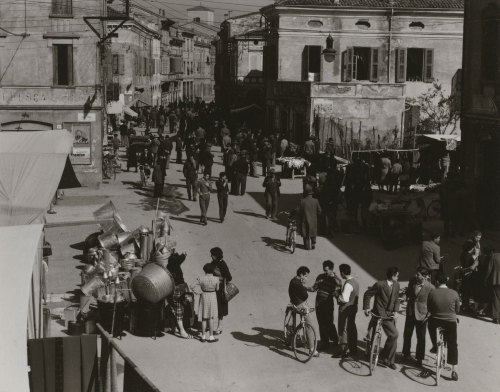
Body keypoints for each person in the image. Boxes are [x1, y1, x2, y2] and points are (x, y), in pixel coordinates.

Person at [363, 267, 401, 370]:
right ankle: (370, 354)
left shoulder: (397, 285)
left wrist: (396, 311)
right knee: (373, 335)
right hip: (379, 314)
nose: (398, 277)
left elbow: (397, 299)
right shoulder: (379, 284)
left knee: (394, 335)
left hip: (390, 315)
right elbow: (368, 294)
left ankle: (388, 359)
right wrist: (366, 308)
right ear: (393, 276)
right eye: (397, 275)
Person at [427, 273, 460, 381]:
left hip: (436, 320)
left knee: (430, 324)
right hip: (450, 322)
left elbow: (430, 309)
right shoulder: (454, 293)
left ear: (437, 282)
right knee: (452, 344)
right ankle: (454, 370)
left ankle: (434, 345)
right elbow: (457, 310)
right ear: (446, 282)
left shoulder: (432, 293)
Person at [402, 267, 435, 367]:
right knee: (407, 334)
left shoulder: (431, 288)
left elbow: (432, 303)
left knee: (421, 338)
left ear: (424, 276)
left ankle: (419, 358)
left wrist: (429, 314)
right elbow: (408, 292)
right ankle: (405, 354)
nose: (416, 276)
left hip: (422, 315)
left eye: (418, 275)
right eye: (416, 274)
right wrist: (404, 297)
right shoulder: (412, 281)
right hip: (411, 312)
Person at [288, 266, 319, 357]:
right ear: (301, 275)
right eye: (305, 276)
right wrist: (303, 286)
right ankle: (312, 349)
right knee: (309, 324)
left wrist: (303, 286)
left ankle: (302, 338)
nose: (306, 278)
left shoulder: (293, 280)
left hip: (294, 303)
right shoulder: (298, 284)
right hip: (300, 305)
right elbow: (305, 296)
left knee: (305, 320)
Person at [310, 260, 342, 351]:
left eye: (326, 270)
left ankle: (335, 338)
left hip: (328, 304)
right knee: (321, 323)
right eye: (324, 270)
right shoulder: (320, 277)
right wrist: (304, 288)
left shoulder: (337, 280)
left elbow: (338, 294)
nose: (325, 272)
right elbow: (314, 288)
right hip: (319, 303)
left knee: (329, 322)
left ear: (331, 269)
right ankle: (325, 342)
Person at [191, 263, 219, 343]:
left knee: (203, 318)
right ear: (213, 270)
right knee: (211, 317)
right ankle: (211, 337)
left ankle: (203, 336)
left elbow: (191, 286)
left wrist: (198, 292)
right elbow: (217, 289)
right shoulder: (216, 279)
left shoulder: (200, 278)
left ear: (205, 270)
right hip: (212, 296)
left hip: (204, 296)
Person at [167, 253, 192, 339]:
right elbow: (181, 258)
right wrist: (184, 255)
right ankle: (182, 331)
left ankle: (174, 328)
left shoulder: (168, 267)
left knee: (172, 307)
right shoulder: (176, 265)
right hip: (179, 289)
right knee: (179, 309)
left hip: (171, 289)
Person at [336, 263, 359, 358]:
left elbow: (344, 299)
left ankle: (343, 350)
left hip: (345, 309)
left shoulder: (348, 284)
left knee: (343, 329)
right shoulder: (355, 281)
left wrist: (337, 295)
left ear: (342, 273)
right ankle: (353, 348)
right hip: (353, 308)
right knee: (351, 327)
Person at [210, 247, 232, 335]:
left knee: (220, 308)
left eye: (212, 255)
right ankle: (212, 325)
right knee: (214, 307)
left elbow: (229, 277)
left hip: (220, 289)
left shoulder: (222, 264)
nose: (211, 256)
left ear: (216, 255)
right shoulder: (213, 263)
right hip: (213, 287)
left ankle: (219, 326)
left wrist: (221, 280)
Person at [297, 184, 322, 250]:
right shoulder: (316, 201)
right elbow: (319, 211)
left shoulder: (302, 201)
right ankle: (313, 243)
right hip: (313, 220)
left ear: (305, 193)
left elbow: (298, 211)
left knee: (305, 233)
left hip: (305, 220)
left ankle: (307, 246)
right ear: (312, 193)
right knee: (313, 232)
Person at [484, 250, 500, 324]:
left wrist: (486, 279)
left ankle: (496, 318)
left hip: (496, 281)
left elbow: (489, 269)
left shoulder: (494, 256)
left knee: (496, 299)